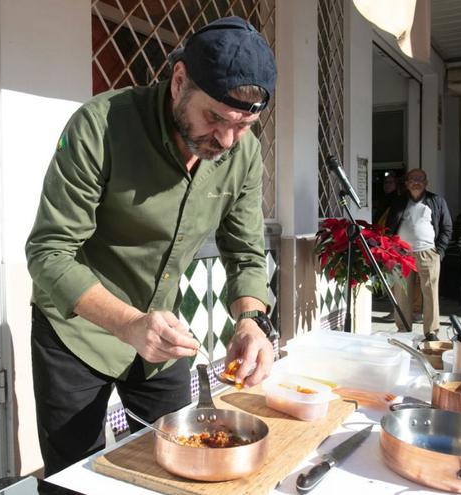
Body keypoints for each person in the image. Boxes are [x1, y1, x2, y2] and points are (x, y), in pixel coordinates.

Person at [25, 17, 277, 475]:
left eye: (243, 125)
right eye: (214, 118)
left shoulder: (244, 154)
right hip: (76, 335)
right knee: (72, 476)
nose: (225, 140)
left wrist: (251, 321)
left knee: (179, 463)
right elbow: (49, 253)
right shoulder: (101, 126)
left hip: (163, 339)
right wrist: (130, 324)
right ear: (179, 80)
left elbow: (245, 252)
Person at [386, 169, 452, 339]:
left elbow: (447, 227)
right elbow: (389, 226)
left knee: (430, 292)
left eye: (420, 179)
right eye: (412, 179)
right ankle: (403, 329)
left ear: (426, 182)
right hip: (402, 253)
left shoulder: (436, 200)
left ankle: (431, 332)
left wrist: (440, 251)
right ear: (406, 183)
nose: (416, 182)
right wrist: (391, 249)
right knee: (402, 292)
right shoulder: (399, 201)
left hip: (428, 252)